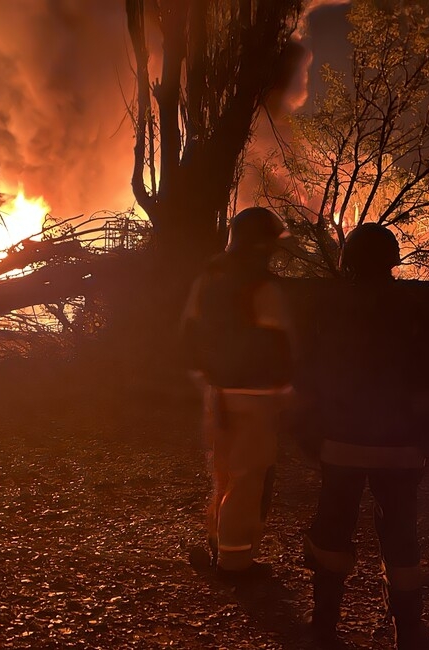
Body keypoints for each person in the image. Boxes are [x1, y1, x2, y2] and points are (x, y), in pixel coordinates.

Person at [299, 224, 429, 649]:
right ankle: (410, 631)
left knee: (332, 529)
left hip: (340, 443)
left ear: (348, 262)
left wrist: (309, 434)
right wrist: (427, 439)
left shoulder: (326, 308)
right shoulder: (415, 309)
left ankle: (323, 626)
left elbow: (307, 376)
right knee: (401, 535)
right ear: (391, 261)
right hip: (400, 448)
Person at [181, 207, 296, 581]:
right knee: (249, 480)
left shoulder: (209, 277)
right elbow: (279, 343)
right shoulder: (262, 286)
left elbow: (190, 332)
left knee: (224, 473)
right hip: (256, 395)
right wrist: (287, 387)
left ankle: (220, 545)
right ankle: (235, 562)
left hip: (218, 392)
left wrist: (206, 376)